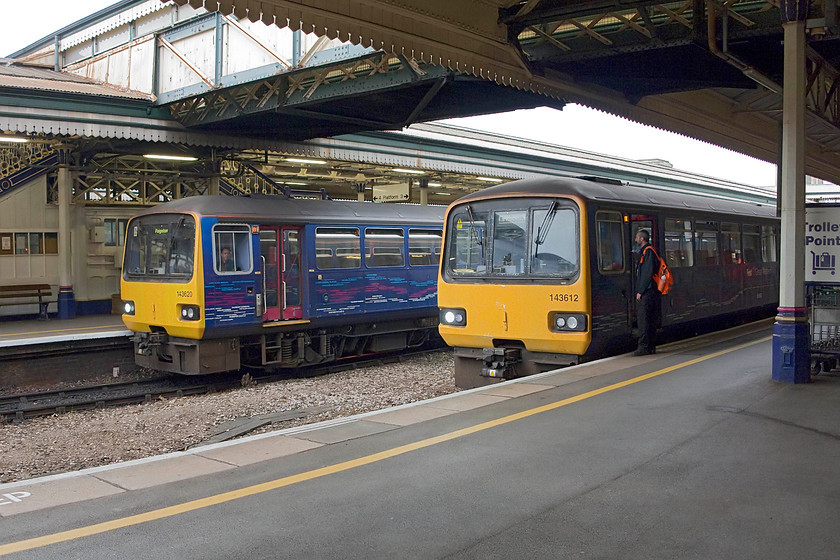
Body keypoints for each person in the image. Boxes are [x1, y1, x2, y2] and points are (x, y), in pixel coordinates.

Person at [634, 229, 660, 355]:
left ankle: (644, 346)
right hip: (650, 291)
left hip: (648, 292)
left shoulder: (648, 252)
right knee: (650, 319)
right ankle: (650, 346)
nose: (635, 239)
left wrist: (640, 291)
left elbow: (646, 273)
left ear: (642, 239)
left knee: (644, 319)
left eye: (637, 237)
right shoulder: (648, 251)